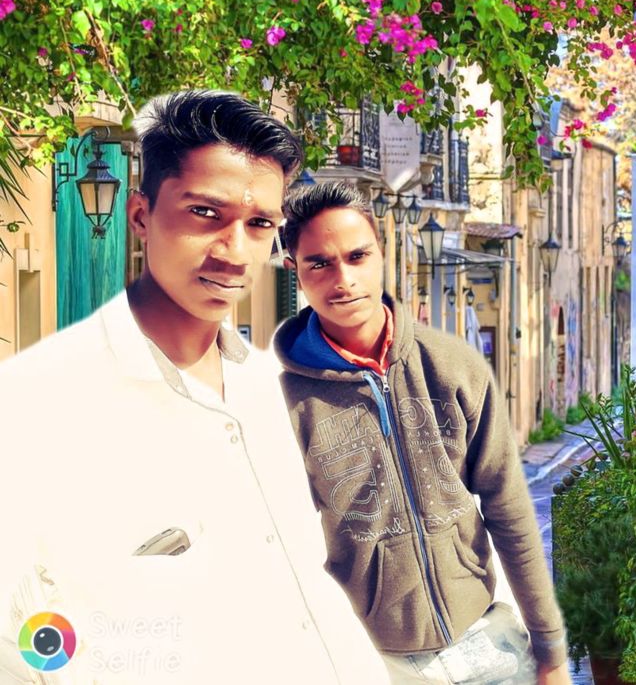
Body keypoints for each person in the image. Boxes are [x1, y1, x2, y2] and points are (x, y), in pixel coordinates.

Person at [0, 93, 389, 685]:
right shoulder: (39, 405)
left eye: (259, 225)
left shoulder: (277, 392)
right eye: (205, 213)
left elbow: (312, 584)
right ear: (140, 216)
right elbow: (18, 638)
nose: (235, 253)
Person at [273, 180, 572, 685]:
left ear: (381, 252)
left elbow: (508, 508)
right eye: (319, 263)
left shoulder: (453, 367)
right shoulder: (285, 401)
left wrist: (551, 651)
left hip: (487, 645)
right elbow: (281, 548)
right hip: (373, 661)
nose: (344, 279)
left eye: (357, 256)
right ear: (294, 270)